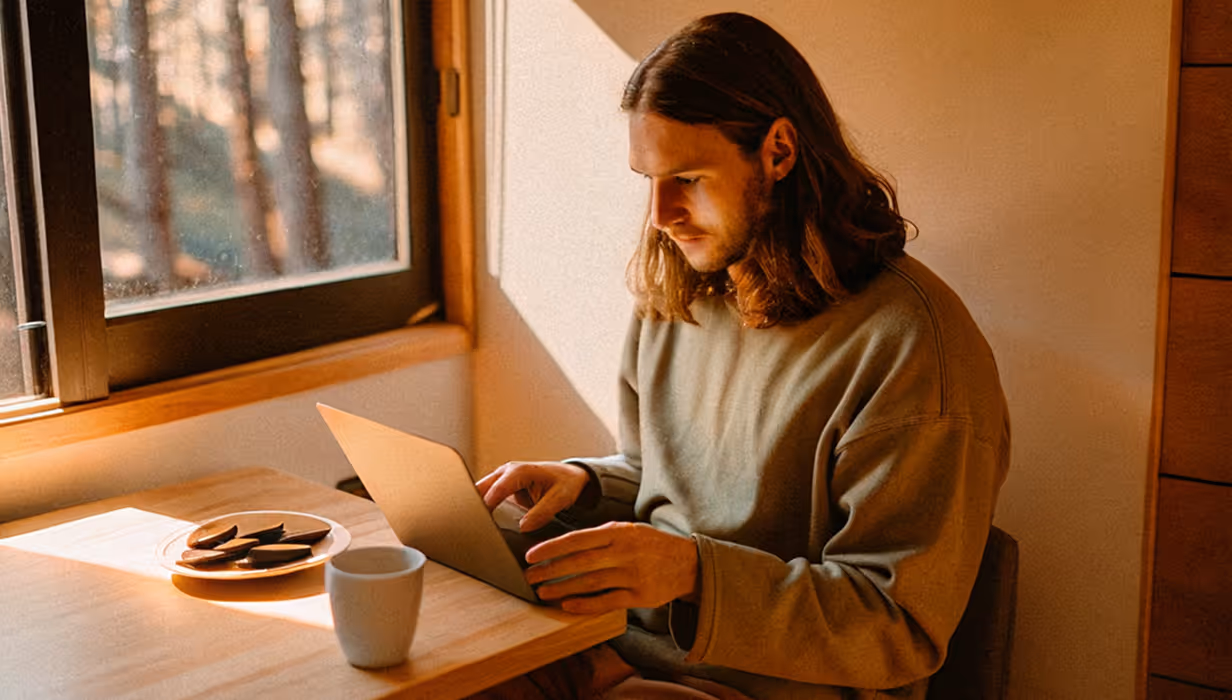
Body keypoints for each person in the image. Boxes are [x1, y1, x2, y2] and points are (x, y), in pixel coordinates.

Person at [473, 12, 1010, 700]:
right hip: (619, 649)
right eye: (649, 179)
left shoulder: (913, 349)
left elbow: (897, 629)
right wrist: (584, 483)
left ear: (779, 152)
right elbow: (658, 475)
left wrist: (695, 573)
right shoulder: (685, 293)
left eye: (689, 178)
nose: (663, 214)